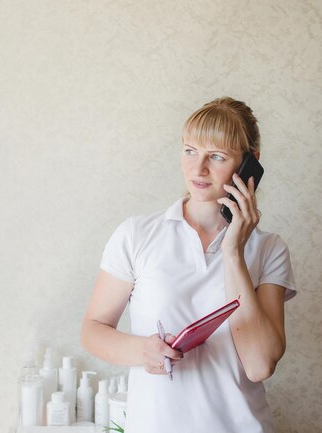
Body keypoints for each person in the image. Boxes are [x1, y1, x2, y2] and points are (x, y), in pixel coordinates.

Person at [81, 97, 297, 433]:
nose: (198, 169)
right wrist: (143, 350)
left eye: (217, 156)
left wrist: (233, 253)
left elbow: (259, 365)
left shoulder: (269, 250)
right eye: (190, 151)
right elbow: (93, 330)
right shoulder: (137, 235)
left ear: (249, 164)